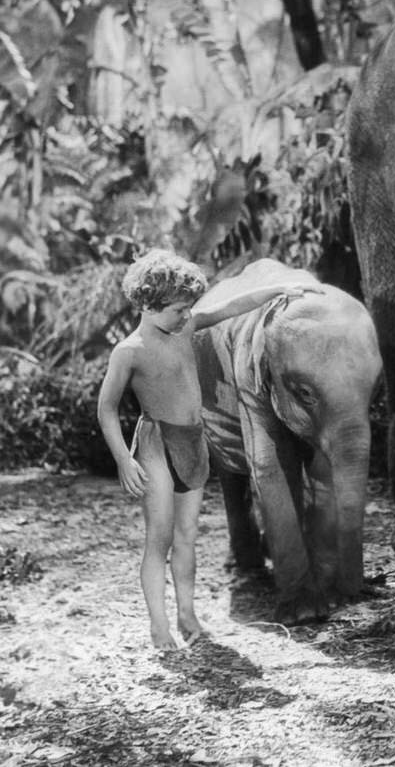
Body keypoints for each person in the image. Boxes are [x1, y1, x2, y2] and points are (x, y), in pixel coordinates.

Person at [96, 249, 319, 649]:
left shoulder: (187, 326)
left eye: (188, 309)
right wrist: (122, 459)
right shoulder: (129, 351)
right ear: (148, 304)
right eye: (179, 310)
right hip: (157, 444)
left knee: (187, 536)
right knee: (159, 539)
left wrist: (280, 288)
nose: (186, 316)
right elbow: (106, 409)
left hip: (194, 442)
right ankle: (158, 625)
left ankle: (187, 614)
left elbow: (233, 304)